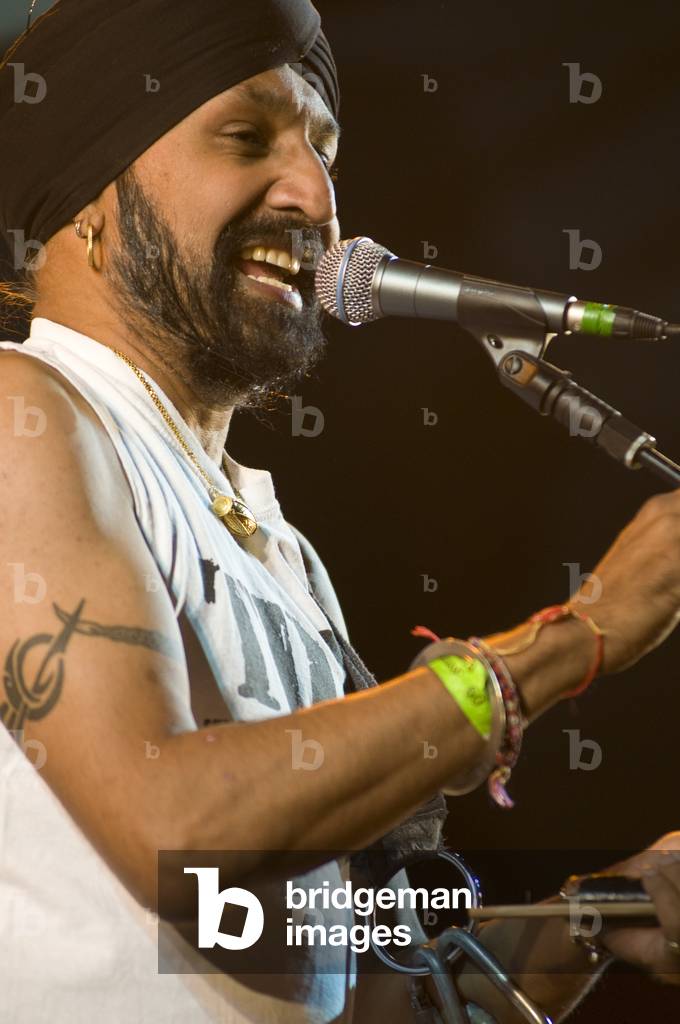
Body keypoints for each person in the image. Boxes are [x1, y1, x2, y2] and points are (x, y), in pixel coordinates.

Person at [0, 2, 679, 1022]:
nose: (316, 197)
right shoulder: (24, 411)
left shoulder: (282, 554)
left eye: (323, 150)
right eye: (247, 136)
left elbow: (360, 996)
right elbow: (173, 825)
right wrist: (573, 637)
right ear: (88, 188)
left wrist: (594, 915)